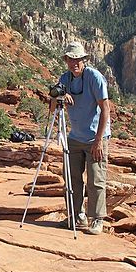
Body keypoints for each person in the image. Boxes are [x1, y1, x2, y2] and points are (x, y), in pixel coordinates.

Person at [53, 41, 111, 235]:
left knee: (96, 179)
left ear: (83, 60)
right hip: (75, 137)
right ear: (66, 60)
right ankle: (76, 215)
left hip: (95, 137)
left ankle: (97, 218)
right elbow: (52, 108)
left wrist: (99, 141)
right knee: (72, 179)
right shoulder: (64, 79)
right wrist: (59, 97)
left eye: (77, 59)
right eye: (70, 59)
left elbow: (105, 110)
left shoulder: (94, 77)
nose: (74, 63)